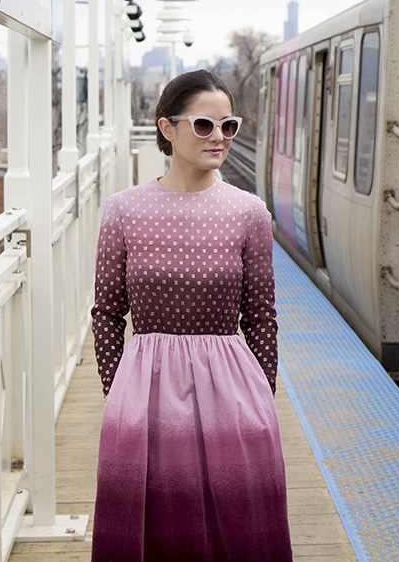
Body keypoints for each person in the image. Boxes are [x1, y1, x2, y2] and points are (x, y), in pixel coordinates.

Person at [89, 69, 293, 561]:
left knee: (237, 527)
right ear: (167, 128)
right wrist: (119, 393)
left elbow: (262, 316)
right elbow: (107, 313)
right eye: (204, 125)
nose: (218, 137)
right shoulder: (123, 211)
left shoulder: (249, 213)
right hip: (144, 392)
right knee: (150, 524)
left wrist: (258, 397)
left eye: (229, 126)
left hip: (233, 394)